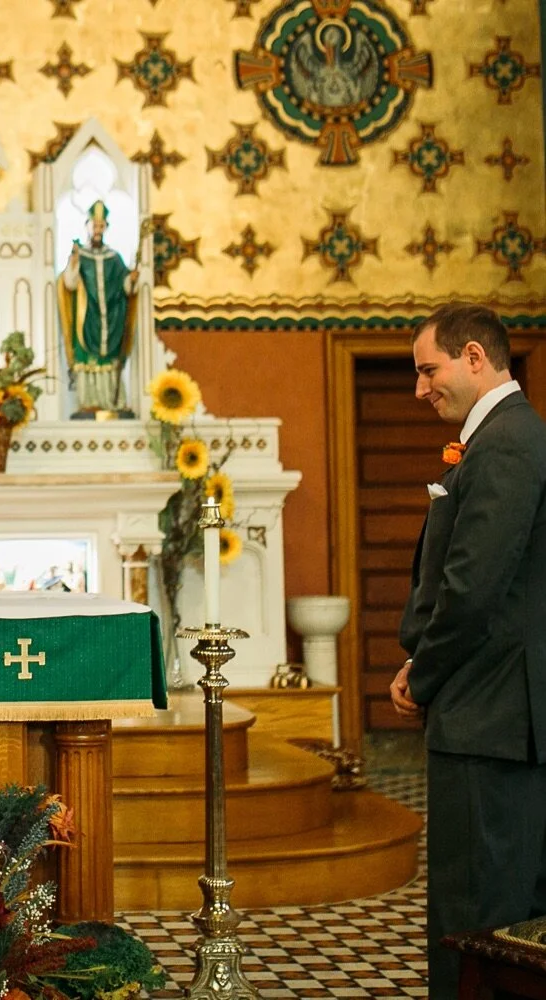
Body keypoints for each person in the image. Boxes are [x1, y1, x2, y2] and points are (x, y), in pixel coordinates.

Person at [389, 302, 546, 999]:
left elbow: (474, 589)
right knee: (492, 910)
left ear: (475, 356)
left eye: (430, 370)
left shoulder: (507, 444)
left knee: (480, 914)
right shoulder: (501, 438)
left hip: (491, 718)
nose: (421, 389)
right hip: (494, 710)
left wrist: (422, 674)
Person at [57, 200, 139, 417]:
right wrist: (73, 263)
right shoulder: (81, 255)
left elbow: (125, 287)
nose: (97, 230)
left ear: (106, 228)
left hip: (111, 317)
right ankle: (89, 402)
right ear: (88, 226)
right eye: (94, 226)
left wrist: (130, 280)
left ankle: (112, 402)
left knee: (110, 359)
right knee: (88, 357)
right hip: (88, 318)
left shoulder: (114, 257)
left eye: (101, 226)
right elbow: (70, 283)